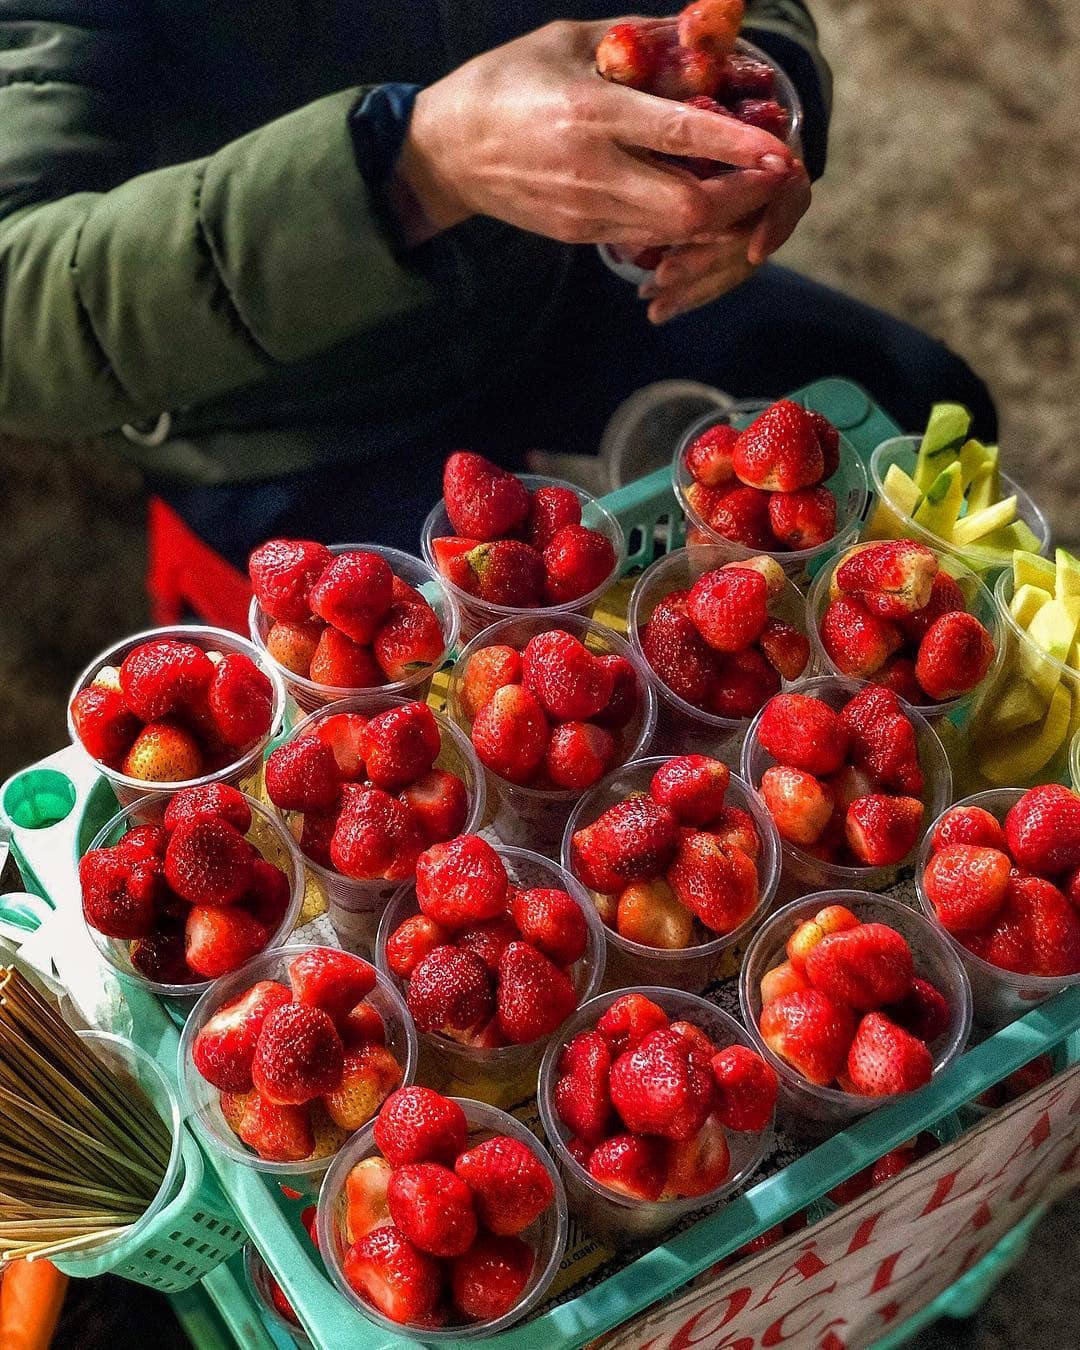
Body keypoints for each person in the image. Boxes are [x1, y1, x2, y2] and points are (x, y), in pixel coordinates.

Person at [0, 3, 994, 626]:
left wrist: (757, 93)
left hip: (549, 280)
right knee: (505, 718)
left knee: (917, 408)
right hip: (279, 413)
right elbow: (19, 318)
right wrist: (412, 169)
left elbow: (721, 14)